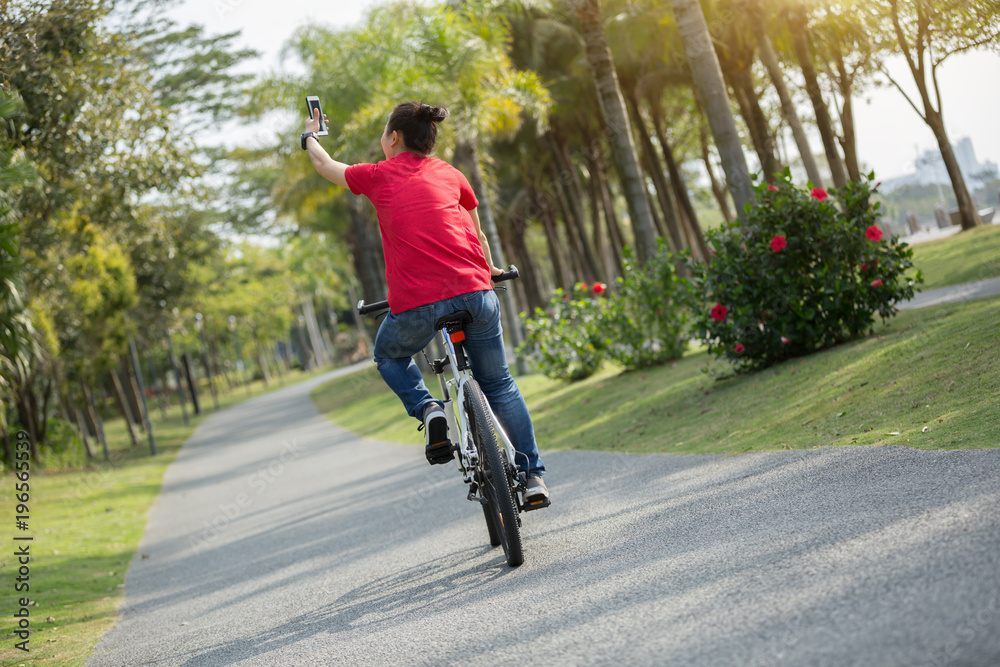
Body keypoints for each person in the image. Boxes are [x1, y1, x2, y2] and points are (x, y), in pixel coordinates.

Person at [301, 101, 549, 503]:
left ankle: (428, 409)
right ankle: (533, 477)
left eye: (383, 133)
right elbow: (478, 237)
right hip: (476, 293)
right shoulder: (451, 174)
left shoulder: (376, 176)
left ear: (394, 138)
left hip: (416, 306)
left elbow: (324, 165)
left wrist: (309, 134)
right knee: (499, 384)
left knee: (388, 355)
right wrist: (489, 271)